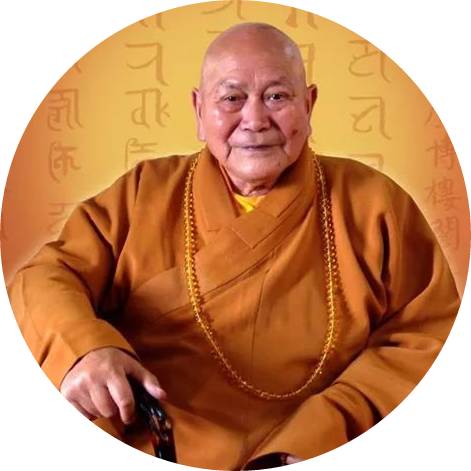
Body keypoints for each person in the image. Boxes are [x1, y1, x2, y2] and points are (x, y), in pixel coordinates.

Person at [8, 23, 460, 470]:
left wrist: (321, 433)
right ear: (199, 110)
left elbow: (427, 338)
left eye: (277, 96)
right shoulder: (144, 192)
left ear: (309, 104)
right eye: (232, 98)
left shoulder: (376, 205)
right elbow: (46, 276)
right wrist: (84, 349)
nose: (255, 120)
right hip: (152, 441)